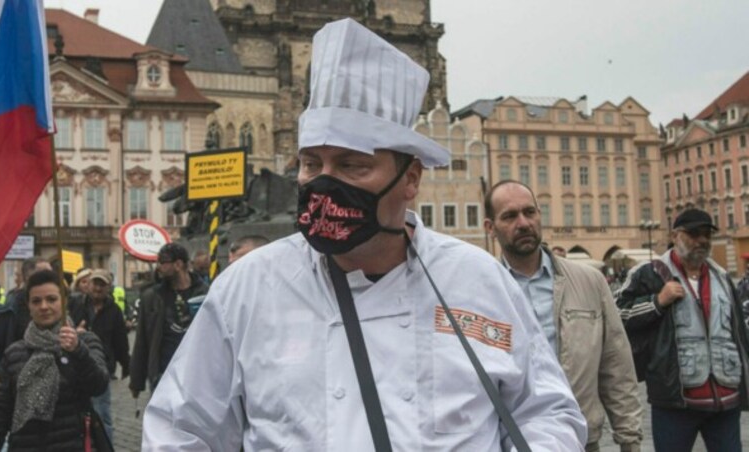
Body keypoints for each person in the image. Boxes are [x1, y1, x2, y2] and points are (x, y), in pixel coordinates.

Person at [142, 18, 586, 450]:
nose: (323, 184)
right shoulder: (248, 287)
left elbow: (546, 413)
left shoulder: (479, 280)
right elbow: (179, 429)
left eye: (352, 166)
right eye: (312, 164)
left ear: (410, 179)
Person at [484, 180, 643, 451]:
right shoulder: (482, 291)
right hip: (510, 439)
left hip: (581, 437)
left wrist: (629, 440)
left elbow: (616, 366)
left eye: (529, 212)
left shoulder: (590, 282)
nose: (523, 223)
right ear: (490, 228)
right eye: (510, 216)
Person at [616, 208, 749, 452]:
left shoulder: (722, 277)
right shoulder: (650, 274)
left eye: (707, 234)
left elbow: (739, 332)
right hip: (674, 401)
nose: (702, 240)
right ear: (676, 235)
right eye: (694, 234)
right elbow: (617, 317)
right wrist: (657, 302)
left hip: (725, 398)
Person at [0, 270, 110, 451]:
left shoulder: (85, 342)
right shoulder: (15, 353)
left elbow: (98, 385)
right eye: (36, 301)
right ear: (28, 306)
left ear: (64, 302)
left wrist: (78, 351)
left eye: (51, 299)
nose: (44, 306)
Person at [129, 243, 209, 398]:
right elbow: (142, 340)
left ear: (178, 264)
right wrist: (136, 381)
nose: (158, 267)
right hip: (163, 375)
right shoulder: (152, 296)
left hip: (198, 375)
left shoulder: (205, 293)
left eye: (163, 262)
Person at [68, 269, 129, 443]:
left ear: (108, 287)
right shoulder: (75, 303)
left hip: (101, 368)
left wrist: (125, 364)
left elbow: (120, 340)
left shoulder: (114, 310)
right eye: (95, 283)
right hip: (75, 365)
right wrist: (75, 332)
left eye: (102, 284)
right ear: (89, 285)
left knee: (102, 415)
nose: (97, 288)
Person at [0, 256, 52, 380]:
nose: (49, 280)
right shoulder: (11, 308)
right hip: (17, 383)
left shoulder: (58, 304)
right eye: (43, 275)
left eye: (50, 275)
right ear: (27, 278)